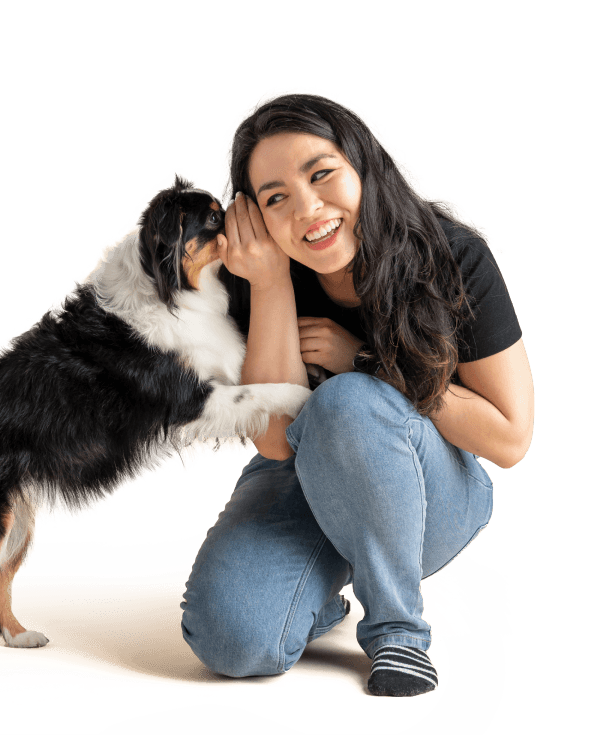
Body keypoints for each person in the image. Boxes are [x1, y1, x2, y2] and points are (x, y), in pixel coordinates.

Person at [179, 88, 534, 697]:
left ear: (364, 166)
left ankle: (398, 634)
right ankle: (323, 597)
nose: (308, 209)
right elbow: (274, 443)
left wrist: (364, 363)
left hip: (432, 489)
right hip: (309, 478)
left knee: (347, 398)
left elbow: (508, 438)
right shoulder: (259, 275)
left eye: (322, 175)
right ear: (255, 216)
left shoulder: (453, 256)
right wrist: (268, 285)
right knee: (230, 641)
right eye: (276, 199)